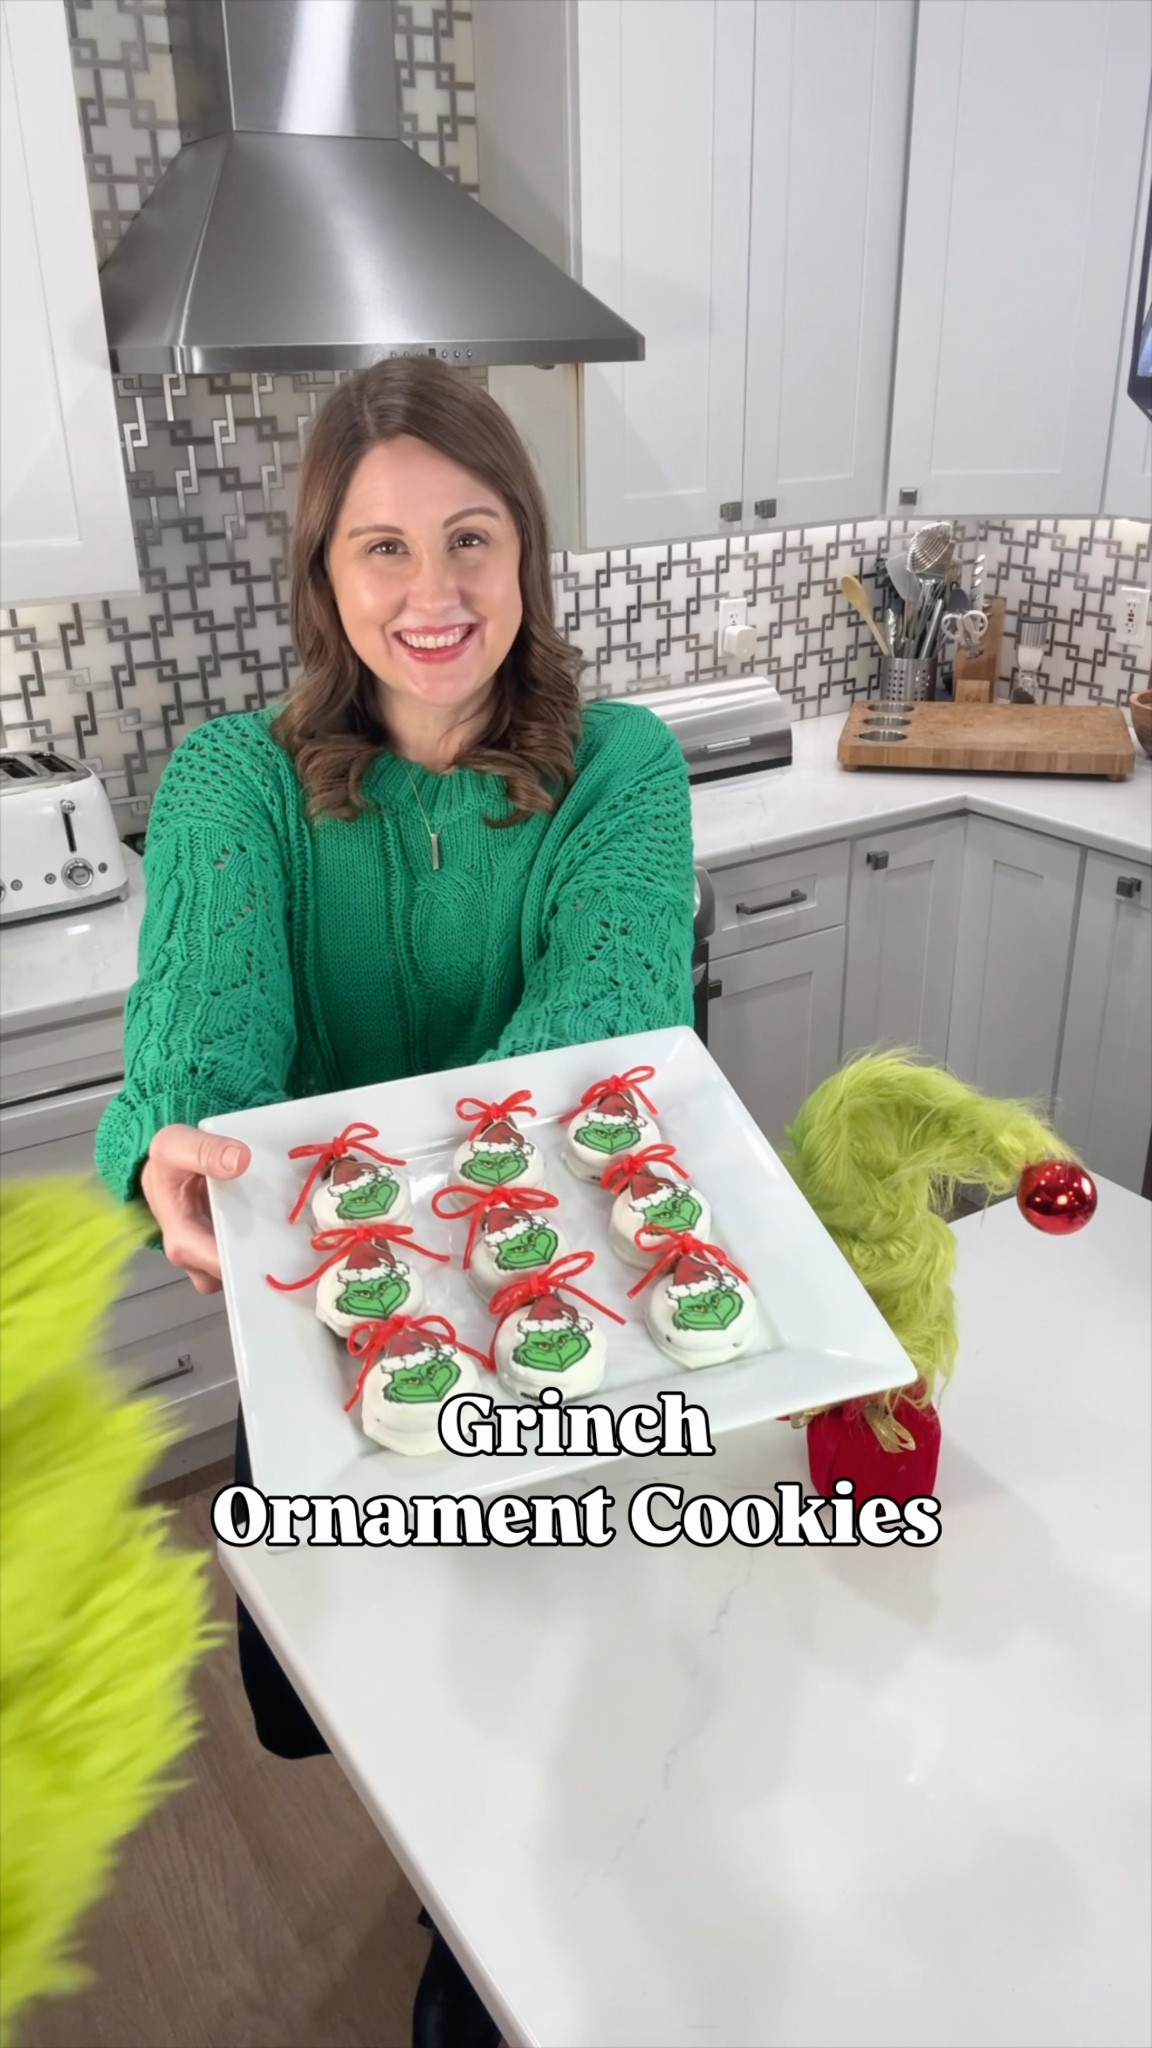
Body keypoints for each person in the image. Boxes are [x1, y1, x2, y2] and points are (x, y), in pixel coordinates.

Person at [94, 358, 695, 2044]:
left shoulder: (624, 769)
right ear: (324, 576)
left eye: (471, 538)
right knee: (403, 1702)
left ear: (527, 556)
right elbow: (203, 1046)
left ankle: (503, 1950)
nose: (431, 595)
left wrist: (339, 1176)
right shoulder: (234, 782)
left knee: (565, 1679)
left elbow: (602, 1029)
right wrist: (179, 1145)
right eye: (380, 549)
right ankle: (459, 1896)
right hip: (340, 1352)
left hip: (563, 1331)